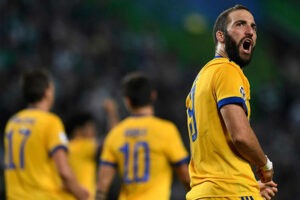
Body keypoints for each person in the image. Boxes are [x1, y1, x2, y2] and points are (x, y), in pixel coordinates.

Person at [185, 4, 278, 200]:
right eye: (240, 24)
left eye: (253, 27)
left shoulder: (201, 79)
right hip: (229, 190)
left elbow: (217, 147)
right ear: (220, 36)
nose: (250, 31)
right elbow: (241, 135)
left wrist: (251, 184)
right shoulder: (227, 70)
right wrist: (264, 165)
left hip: (203, 192)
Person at [96, 72, 190, 200]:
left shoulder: (115, 133)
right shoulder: (165, 130)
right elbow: (184, 175)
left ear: (127, 101)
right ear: (153, 96)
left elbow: (102, 185)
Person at [3, 68, 89, 200]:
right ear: (48, 91)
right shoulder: (50, 122)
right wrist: (80, 193)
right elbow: (63, 170)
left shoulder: (12, 123)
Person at [64, 99, 119, 200]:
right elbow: (113, 140)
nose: (94, 131)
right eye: (90, 127)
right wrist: (112, 112)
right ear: (78, 131)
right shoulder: (83, 146)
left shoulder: (64, 148)